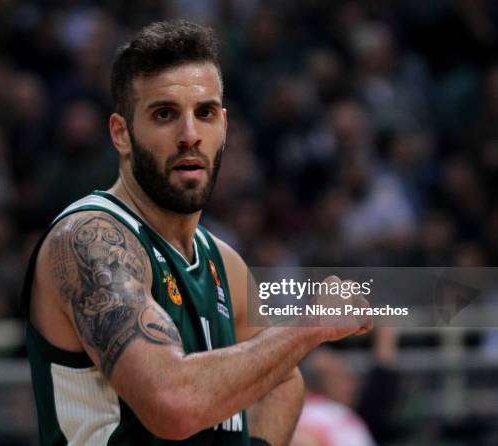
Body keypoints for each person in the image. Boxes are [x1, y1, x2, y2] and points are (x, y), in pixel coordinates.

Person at [21, 20, 371, 446]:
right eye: (164, 114)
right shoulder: (90, 240)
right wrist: (309, 325)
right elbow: (173, 403)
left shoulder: (225, 262)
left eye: (204, 114)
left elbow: (281, 382)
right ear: (121, 134)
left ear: (223, 125)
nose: (190, 136)